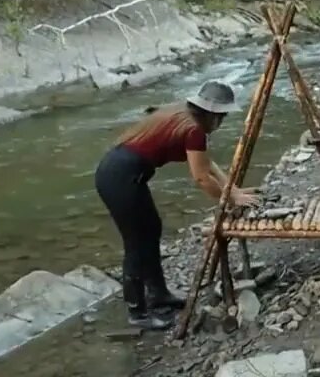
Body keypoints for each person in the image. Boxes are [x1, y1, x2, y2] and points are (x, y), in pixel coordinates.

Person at [94, 79, 261, 329]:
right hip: (120, 178)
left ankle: (159, 295)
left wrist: (233, 190)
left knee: (152, 229)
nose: (222, 122)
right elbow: (201, 178)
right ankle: (137, 313)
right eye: (222, 116)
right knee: (136, 243)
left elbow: (207, 165)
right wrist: (229, 200)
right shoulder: (194, 130)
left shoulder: (183, 117)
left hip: (121, 173)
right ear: (212, 114)